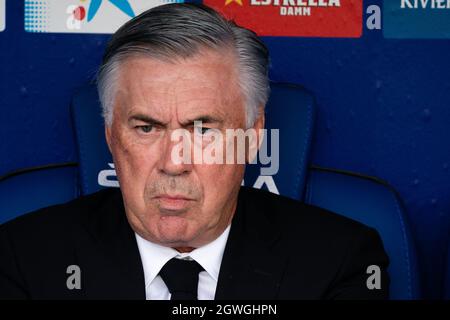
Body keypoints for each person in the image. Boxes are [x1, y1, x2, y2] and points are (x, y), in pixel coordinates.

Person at [0, 3, 389, 300]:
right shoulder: (23, 259)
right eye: (146, 128)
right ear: (110, 136)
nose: (174, 162)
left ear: (253, 136)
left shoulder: (339, 261)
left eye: (202, 129)